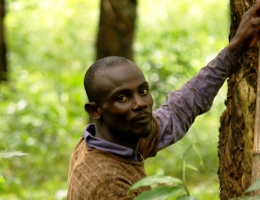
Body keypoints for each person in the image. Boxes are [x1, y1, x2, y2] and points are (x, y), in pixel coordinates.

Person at [67, 2, 260, 199]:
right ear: (95, 111)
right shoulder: (108, 185)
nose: (140, 103)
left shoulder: (110, 137)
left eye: (142, 91)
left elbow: (179, 110)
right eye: (122, 98)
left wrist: (236, 48)